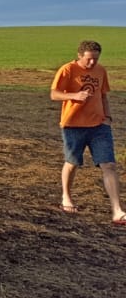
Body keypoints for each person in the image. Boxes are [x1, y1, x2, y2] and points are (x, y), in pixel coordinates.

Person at [50, 40, 123, 224]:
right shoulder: (68, 70)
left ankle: (117, 210)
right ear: (80, 56)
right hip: (73, 125)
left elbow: (103, 95)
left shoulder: (101, 71)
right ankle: (66, 196)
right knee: (72, 163)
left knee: (109, 165)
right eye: (89, 59)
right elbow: (54, 94)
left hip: (99, 126)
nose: (92, 63)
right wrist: (74, 95)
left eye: (96, 60)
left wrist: (107, 117)